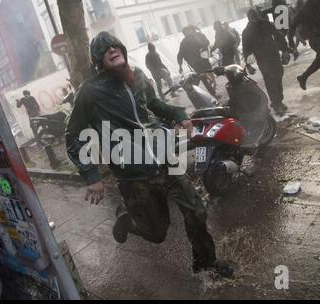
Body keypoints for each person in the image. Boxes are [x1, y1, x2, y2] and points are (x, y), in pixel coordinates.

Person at [66, 31, 234, 277]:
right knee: (157, 233)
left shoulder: (138, 77)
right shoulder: (90, 92)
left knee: (196, 211)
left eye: (115, 45)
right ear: (97, 59)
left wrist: (178, 115)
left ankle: (206, 263)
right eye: (105, 49)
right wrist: (92, 176)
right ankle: (127, 219)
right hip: (134, 175)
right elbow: (72, 137)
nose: (112, 50)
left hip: (166, 160)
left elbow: (154, 105)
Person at [242, 8, 290, 115]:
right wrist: (248, 65)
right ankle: (276, 103)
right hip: (265, 59)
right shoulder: (248, 31)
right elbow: (246, 49)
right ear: (250, 18)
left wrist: (285, 49)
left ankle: (277, 101)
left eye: (255, 17)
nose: (254, 19)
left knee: (276, 77)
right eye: (253, 17)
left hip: (271, 57)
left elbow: (278, 35)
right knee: (271, 79)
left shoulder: (264, 24)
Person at [177, 25, 217, 97]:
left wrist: (180, 66)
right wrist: (202, 48)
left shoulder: (183, 42)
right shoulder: (193, 38)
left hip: (195, 62)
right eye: (189, 31)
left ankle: (195, 90)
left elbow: (180, 55)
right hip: (199, 61)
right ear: (187, 32)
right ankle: (211, 92)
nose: (191, 32)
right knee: (203, 76)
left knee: (202, 76)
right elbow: (203, 44)